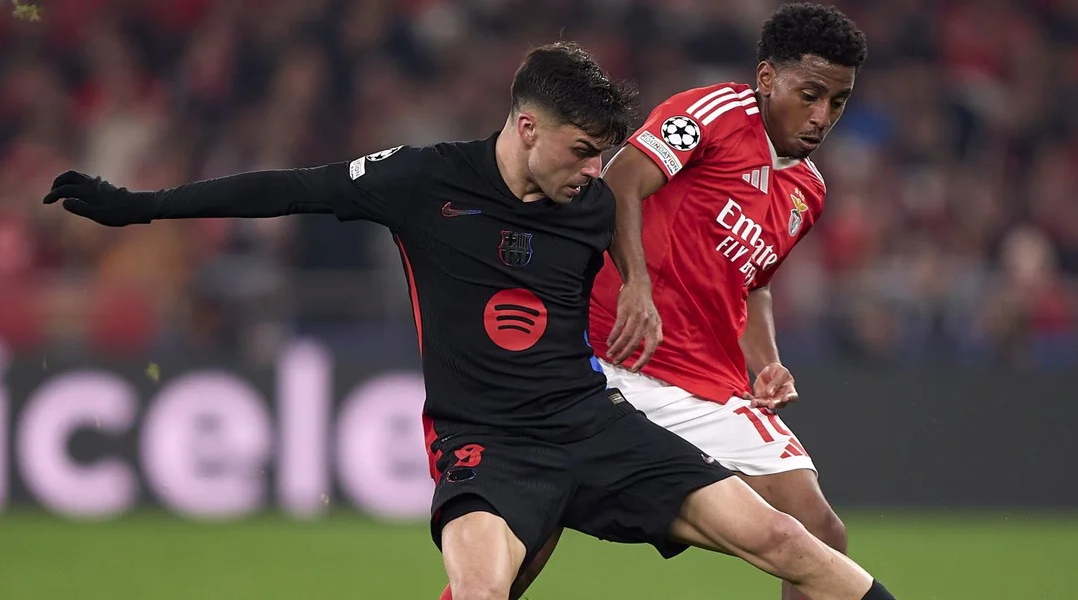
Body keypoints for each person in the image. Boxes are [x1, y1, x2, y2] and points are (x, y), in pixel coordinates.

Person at [44, 42, 895, 600]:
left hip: (591, 424)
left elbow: (712, 259)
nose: (595, 171)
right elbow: (288, 188)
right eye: (581, 151)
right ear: (527, 128)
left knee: (791, 540)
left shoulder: (592, 206)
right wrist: (139, 208)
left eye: (605, 154)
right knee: (483, 596)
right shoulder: (422, 181)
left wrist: (729, 334)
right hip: (487, 441)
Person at [508, 4, 872, 600]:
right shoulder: (717, 114)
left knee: (820, 531)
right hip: (607, 355)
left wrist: (768, 361)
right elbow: (623, 176)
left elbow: (753, 284)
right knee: (527, 537)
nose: (820, 116)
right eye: (809, 94)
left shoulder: (809, 191)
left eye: (837, 102)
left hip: (707, 385)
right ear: (765, 78)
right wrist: (637, 284)